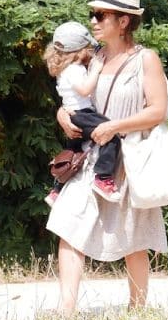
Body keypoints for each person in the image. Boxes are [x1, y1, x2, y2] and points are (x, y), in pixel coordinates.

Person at [46, 0, 168, 314]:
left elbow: (158, 111)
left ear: (123, 21)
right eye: (94, 15)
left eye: (100, 15)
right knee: (68, 225)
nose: (93, 22)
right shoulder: (93, 58)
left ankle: (137, 310)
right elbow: (74, 98)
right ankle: (65, 312)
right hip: (90, 157)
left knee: (134, 238)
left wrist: (115, 126)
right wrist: (62, 115)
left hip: (129, 158)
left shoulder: (146, 60)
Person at [43, 21, 122, 205]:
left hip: (73, 114)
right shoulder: (74, 70)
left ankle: (57, 190)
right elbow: (85, 90)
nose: (90, 53)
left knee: (73, 154)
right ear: (79, 51)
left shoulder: (64, 70)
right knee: (111, 136)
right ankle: (103, 178)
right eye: (88, 49)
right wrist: (95, 70)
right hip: (82, 114)